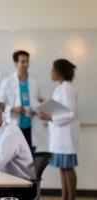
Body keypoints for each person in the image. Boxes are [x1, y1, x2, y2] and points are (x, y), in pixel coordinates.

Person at [38, 59, 79, 200]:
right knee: (63, 168)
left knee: (68, 168)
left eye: (52, 70)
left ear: (59, 72)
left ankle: (71, 197)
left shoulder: (67, 88)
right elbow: (60, 108)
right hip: (60, 136)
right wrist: (45, 105)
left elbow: (70, 113)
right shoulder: (60, 88)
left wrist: (51, 118)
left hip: (65, 137)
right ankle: (64, 197)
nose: (51, 72)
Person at [0, 50, 44, 153]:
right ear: (16, 63)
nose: (25, 64)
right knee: (15, 158)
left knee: (31, 159)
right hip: (14, 125)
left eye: (27, 61)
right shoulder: (7, 82)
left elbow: (36, 100)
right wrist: (12, 109)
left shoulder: (34, 81)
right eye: (22, 62)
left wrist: (37, 108)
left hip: (31, 127)